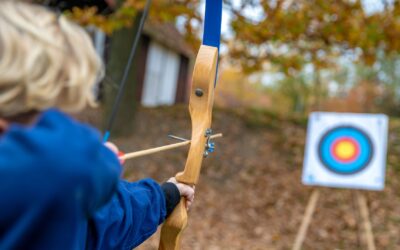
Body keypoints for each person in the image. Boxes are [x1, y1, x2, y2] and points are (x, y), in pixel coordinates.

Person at [0, 1, 194, 249]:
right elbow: (69, 169)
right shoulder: (61, 169)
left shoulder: (52, 194)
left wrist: (164, 197)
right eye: (54, 105)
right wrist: (101, 162)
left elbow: (92, 226)